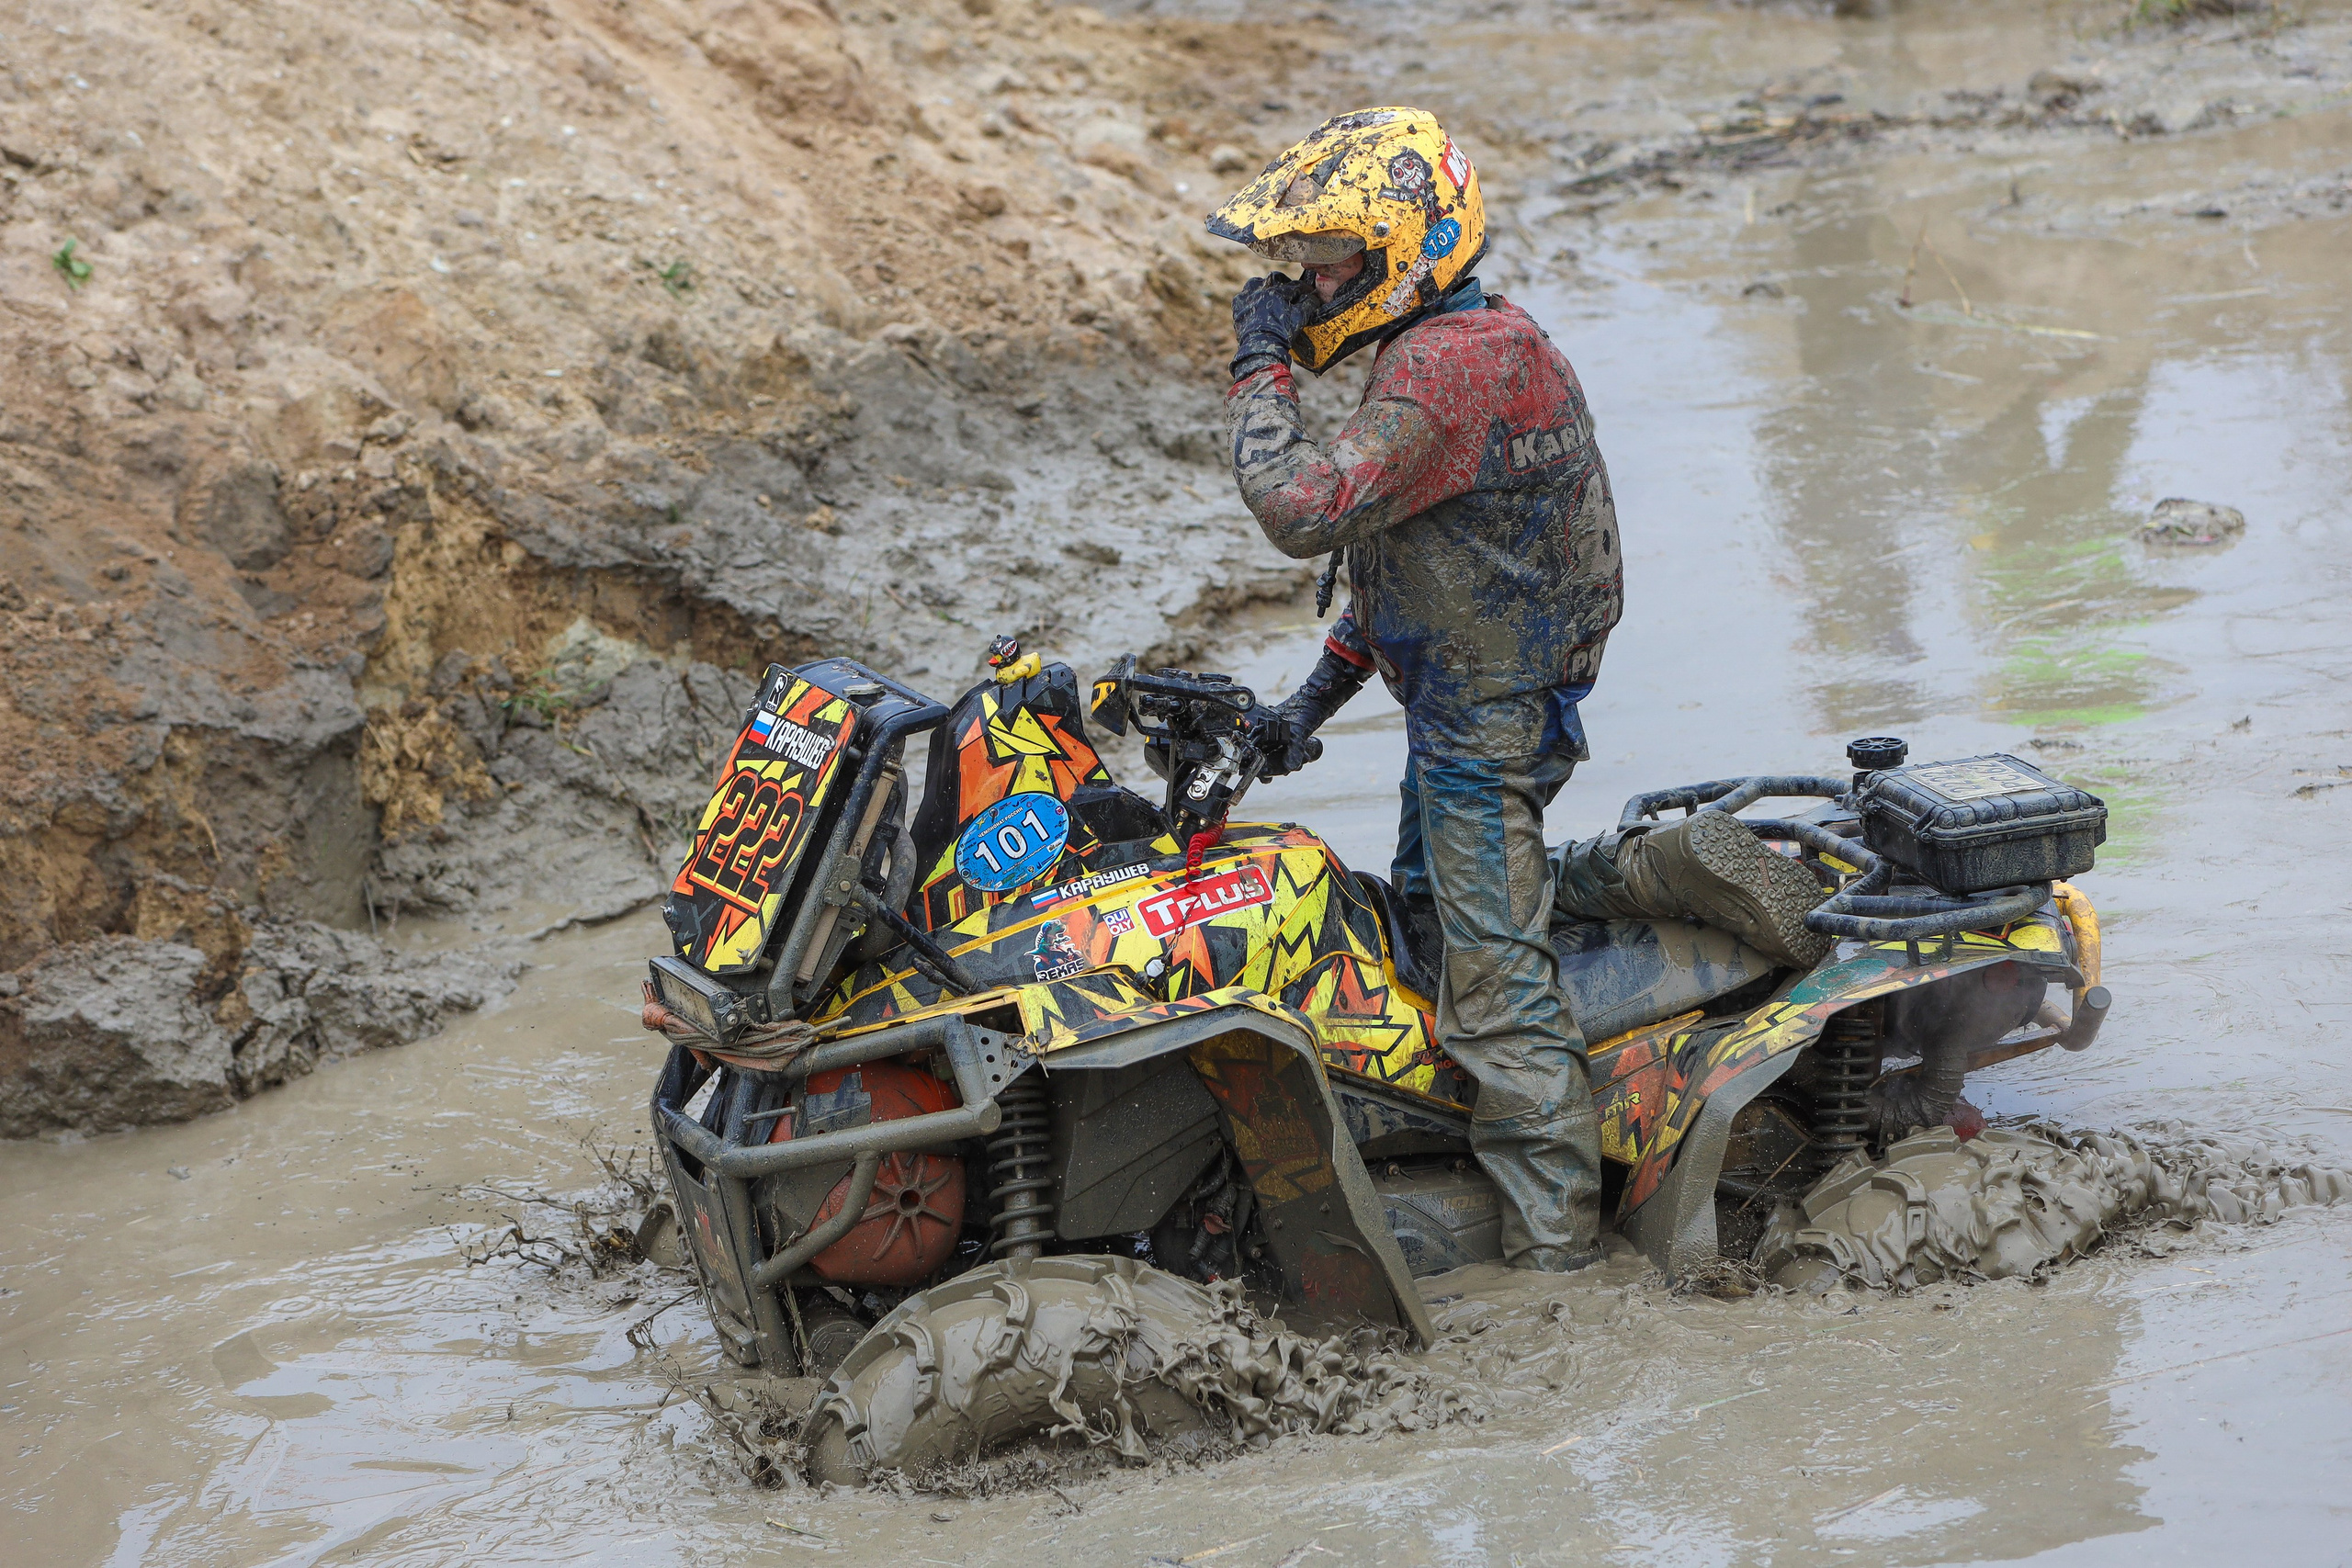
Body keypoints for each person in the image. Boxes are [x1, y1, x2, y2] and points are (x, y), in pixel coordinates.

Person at [1206, 107, 1825, 1272]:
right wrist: (1308, 704)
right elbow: (1421, 570)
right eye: (1297, 268)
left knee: (1493, 999)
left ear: (1406, 248)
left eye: (1327, 263)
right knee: (1435, 926)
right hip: (1473, 701)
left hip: (1485, 724)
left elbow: (1304, 512)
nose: (1303, 287)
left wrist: (1257, 370)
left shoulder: (1456, 366)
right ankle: (1637, 878)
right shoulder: (1455, 348)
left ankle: (1558, 1259)